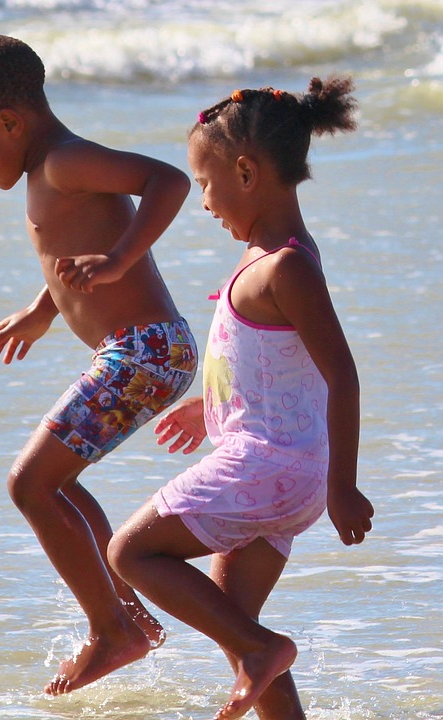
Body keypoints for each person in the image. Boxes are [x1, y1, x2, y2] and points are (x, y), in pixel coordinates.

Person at [0, 34, 198, 695]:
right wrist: (43, 309)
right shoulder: (49, 172)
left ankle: (116, 630)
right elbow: (73, 253)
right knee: (60, 486)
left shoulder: (67, 161)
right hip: (143, 354)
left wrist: (126, 259)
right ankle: (128, 618)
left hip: (144, 350)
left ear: (10, 123)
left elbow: (169, 179)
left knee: (30, 485)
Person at [107, 77, 376, 720]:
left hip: (269, 465)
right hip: (281, 470)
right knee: (240, 633)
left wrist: (345, 485)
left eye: (205, 182)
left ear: (247, 172)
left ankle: (260, 652)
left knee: (130, 553)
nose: (203, 202)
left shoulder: (286, 266)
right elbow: (279, 362)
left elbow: (343, 373)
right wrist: (212, 404)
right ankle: (265, 670)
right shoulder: (275, 258)